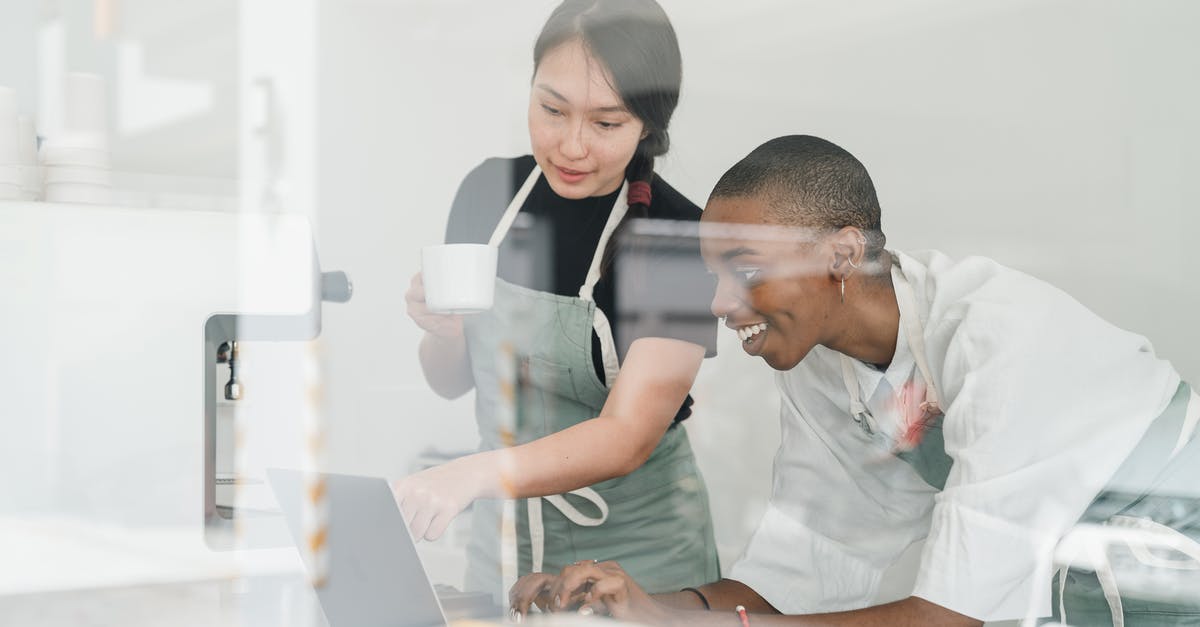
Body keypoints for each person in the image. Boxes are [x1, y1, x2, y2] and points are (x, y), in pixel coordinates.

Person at [509, 135, 1200, 625]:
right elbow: (795, 576)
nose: (718, 304)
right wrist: (639, 607)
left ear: (842, 252)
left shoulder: (997, 340)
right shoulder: (818, 363)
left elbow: (943, 617)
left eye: (744, 268)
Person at [399, 0, 721, 604]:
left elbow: (628, 436)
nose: (571, 146)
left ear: (648, 126)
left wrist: (472, 475)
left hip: (642, 550)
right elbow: (449, 381)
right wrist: (442, 331)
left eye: (605, 123)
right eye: (551, 109)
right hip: (505, 542)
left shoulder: (678, 237)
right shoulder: (487, 194)